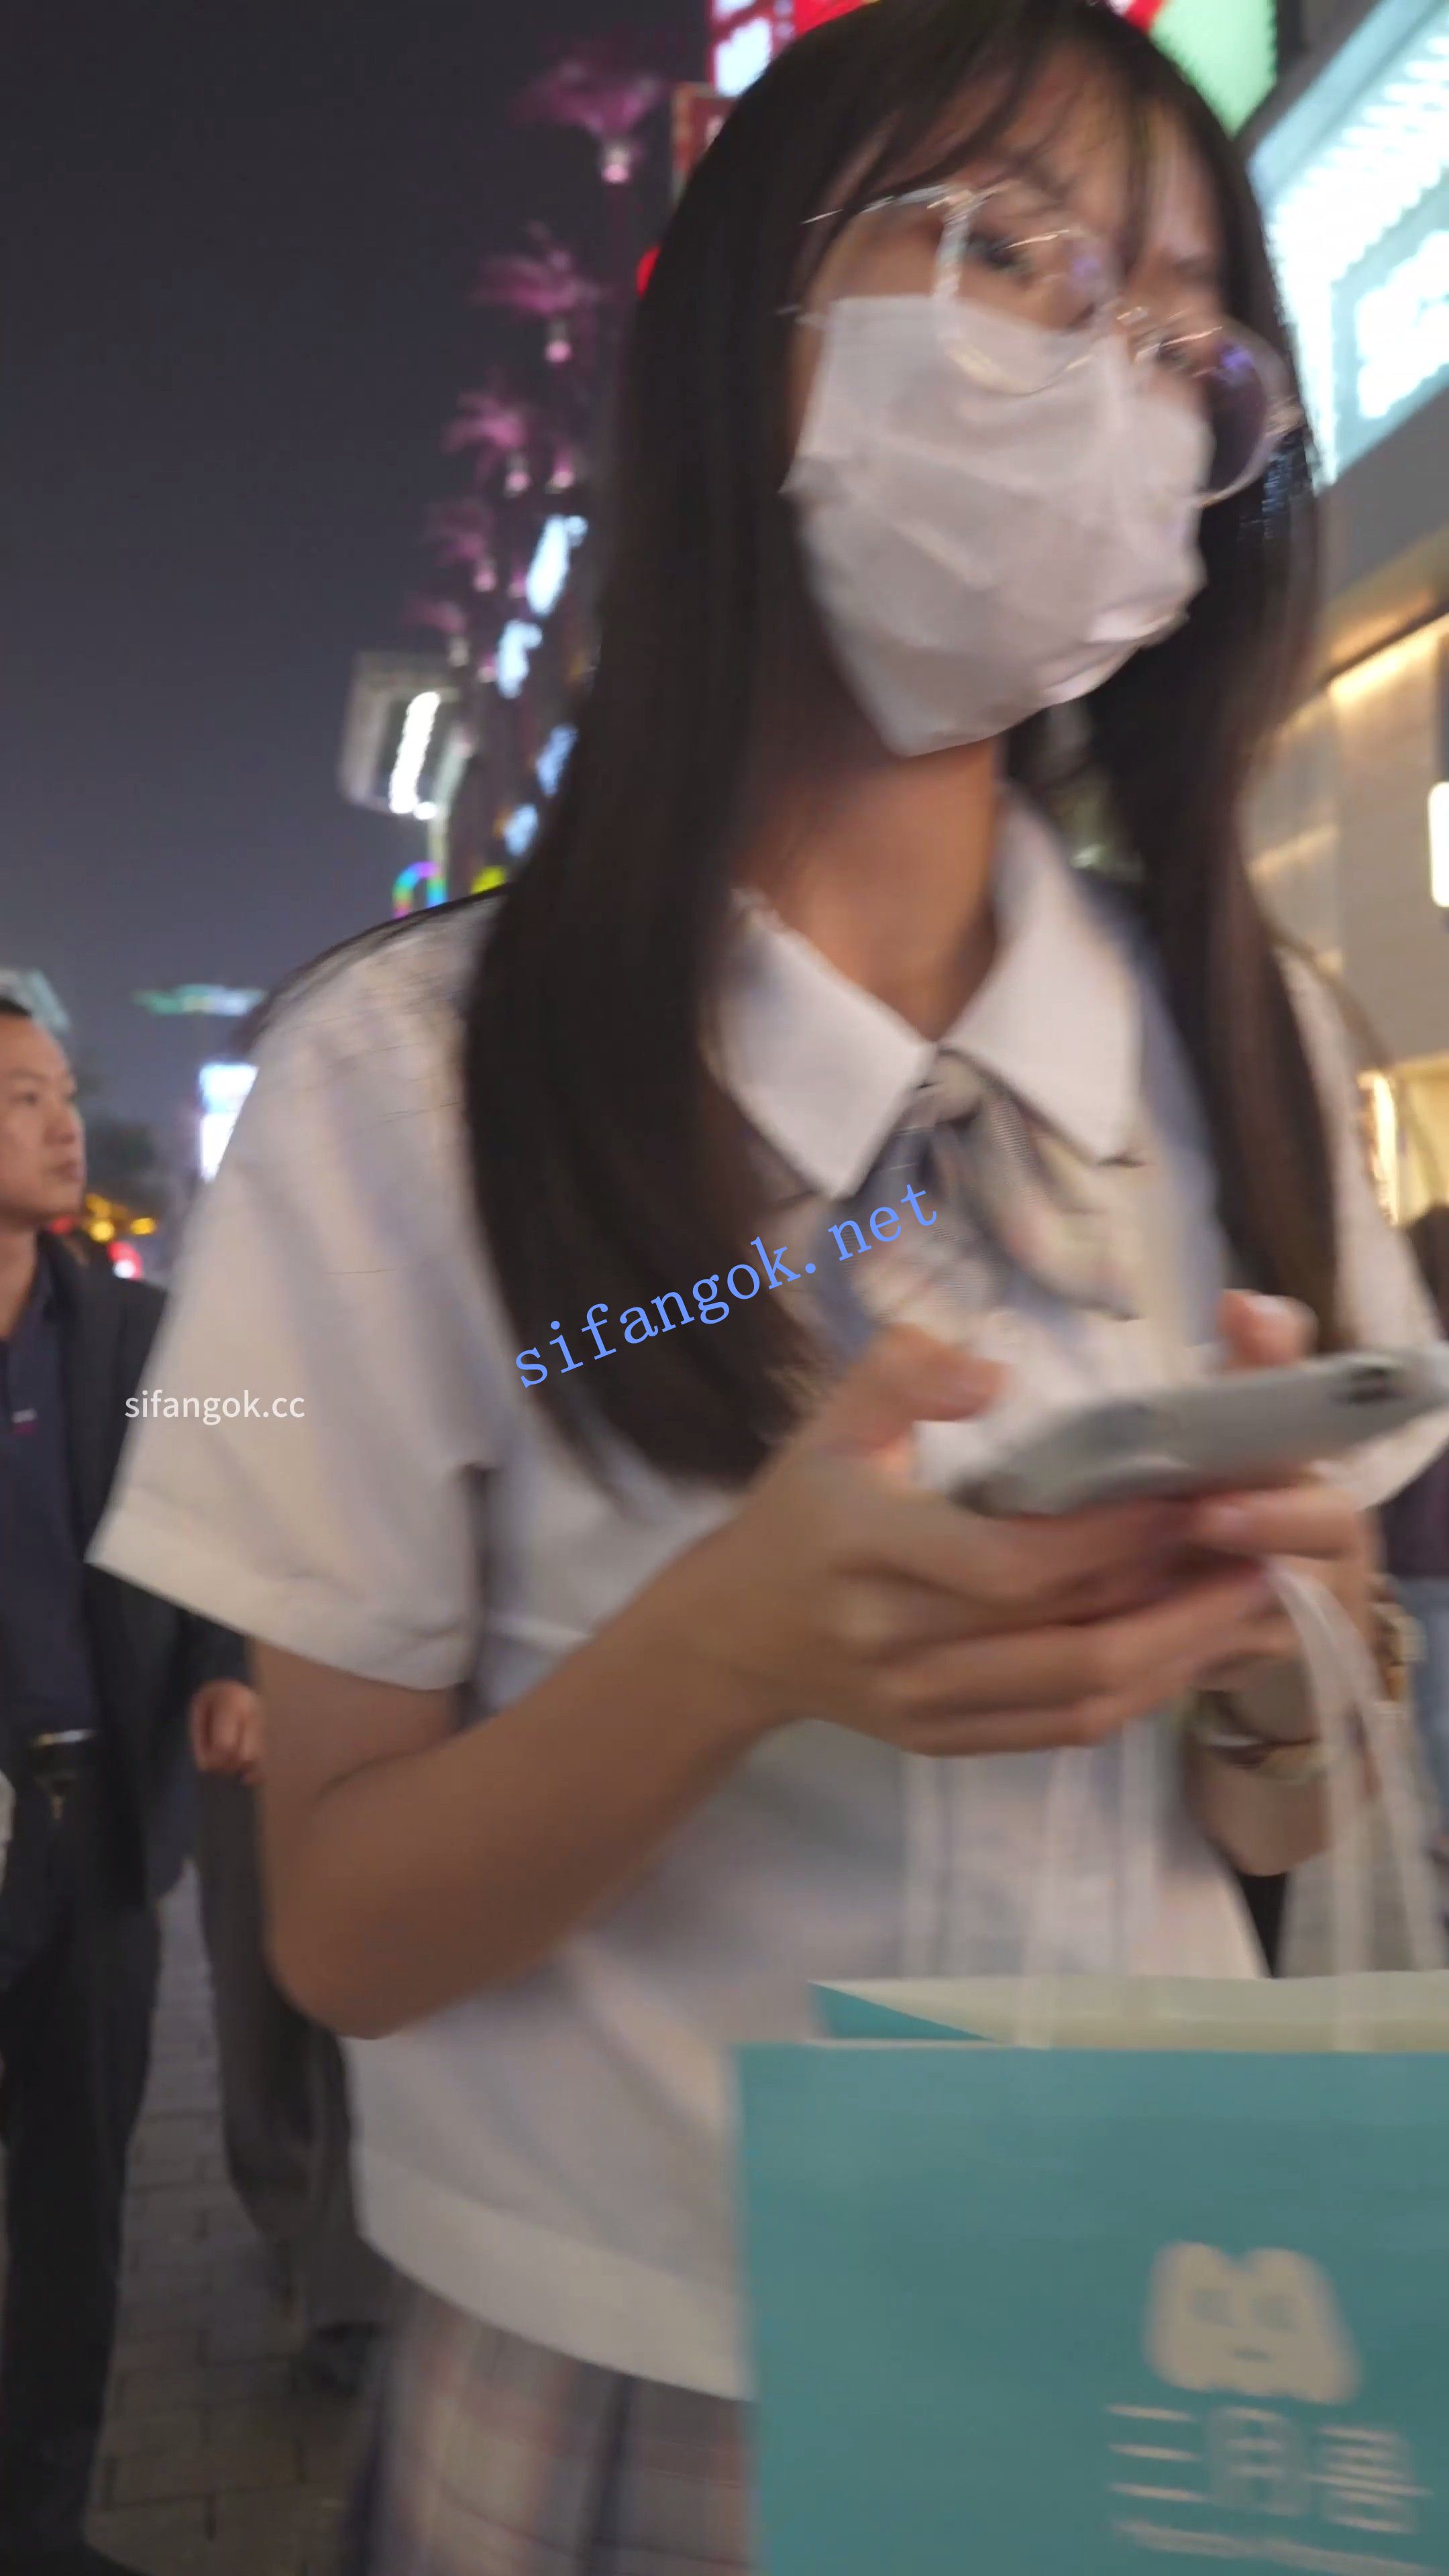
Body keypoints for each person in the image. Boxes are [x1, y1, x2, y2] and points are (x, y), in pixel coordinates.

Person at [90, 4, 1449, 2568]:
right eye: (1006, 253)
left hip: (1161, 2353)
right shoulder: (410, 1085)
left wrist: (1280, 1649)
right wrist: (728, 1654)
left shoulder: (1250, 1045)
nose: (1110, 372)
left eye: (1188, 338)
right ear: (748, 329)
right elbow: (340, 1926)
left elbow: (1274, 1815)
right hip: (619, 2392)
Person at [0, 997, 256, 2576]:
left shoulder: (141, 1338)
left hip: (91, 1833)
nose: (61, 1122)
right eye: (19, 1097)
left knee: (77, 2211)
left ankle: (40, 2527)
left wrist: (228, 1659)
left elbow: (226, 1499)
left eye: (59, 1092)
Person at [190, 1689, 393, 2392]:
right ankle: (289, 2208)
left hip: (382, 1721)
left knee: (357, 2020)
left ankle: (351, 2297)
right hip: (240, 1737)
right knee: (256, 2006)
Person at [1381, 1205, 1449, 1879]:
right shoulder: (1412, 1367)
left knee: (1441, 1713)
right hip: (1424, 1567)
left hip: (1421, 1564)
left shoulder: (1407, 1365)